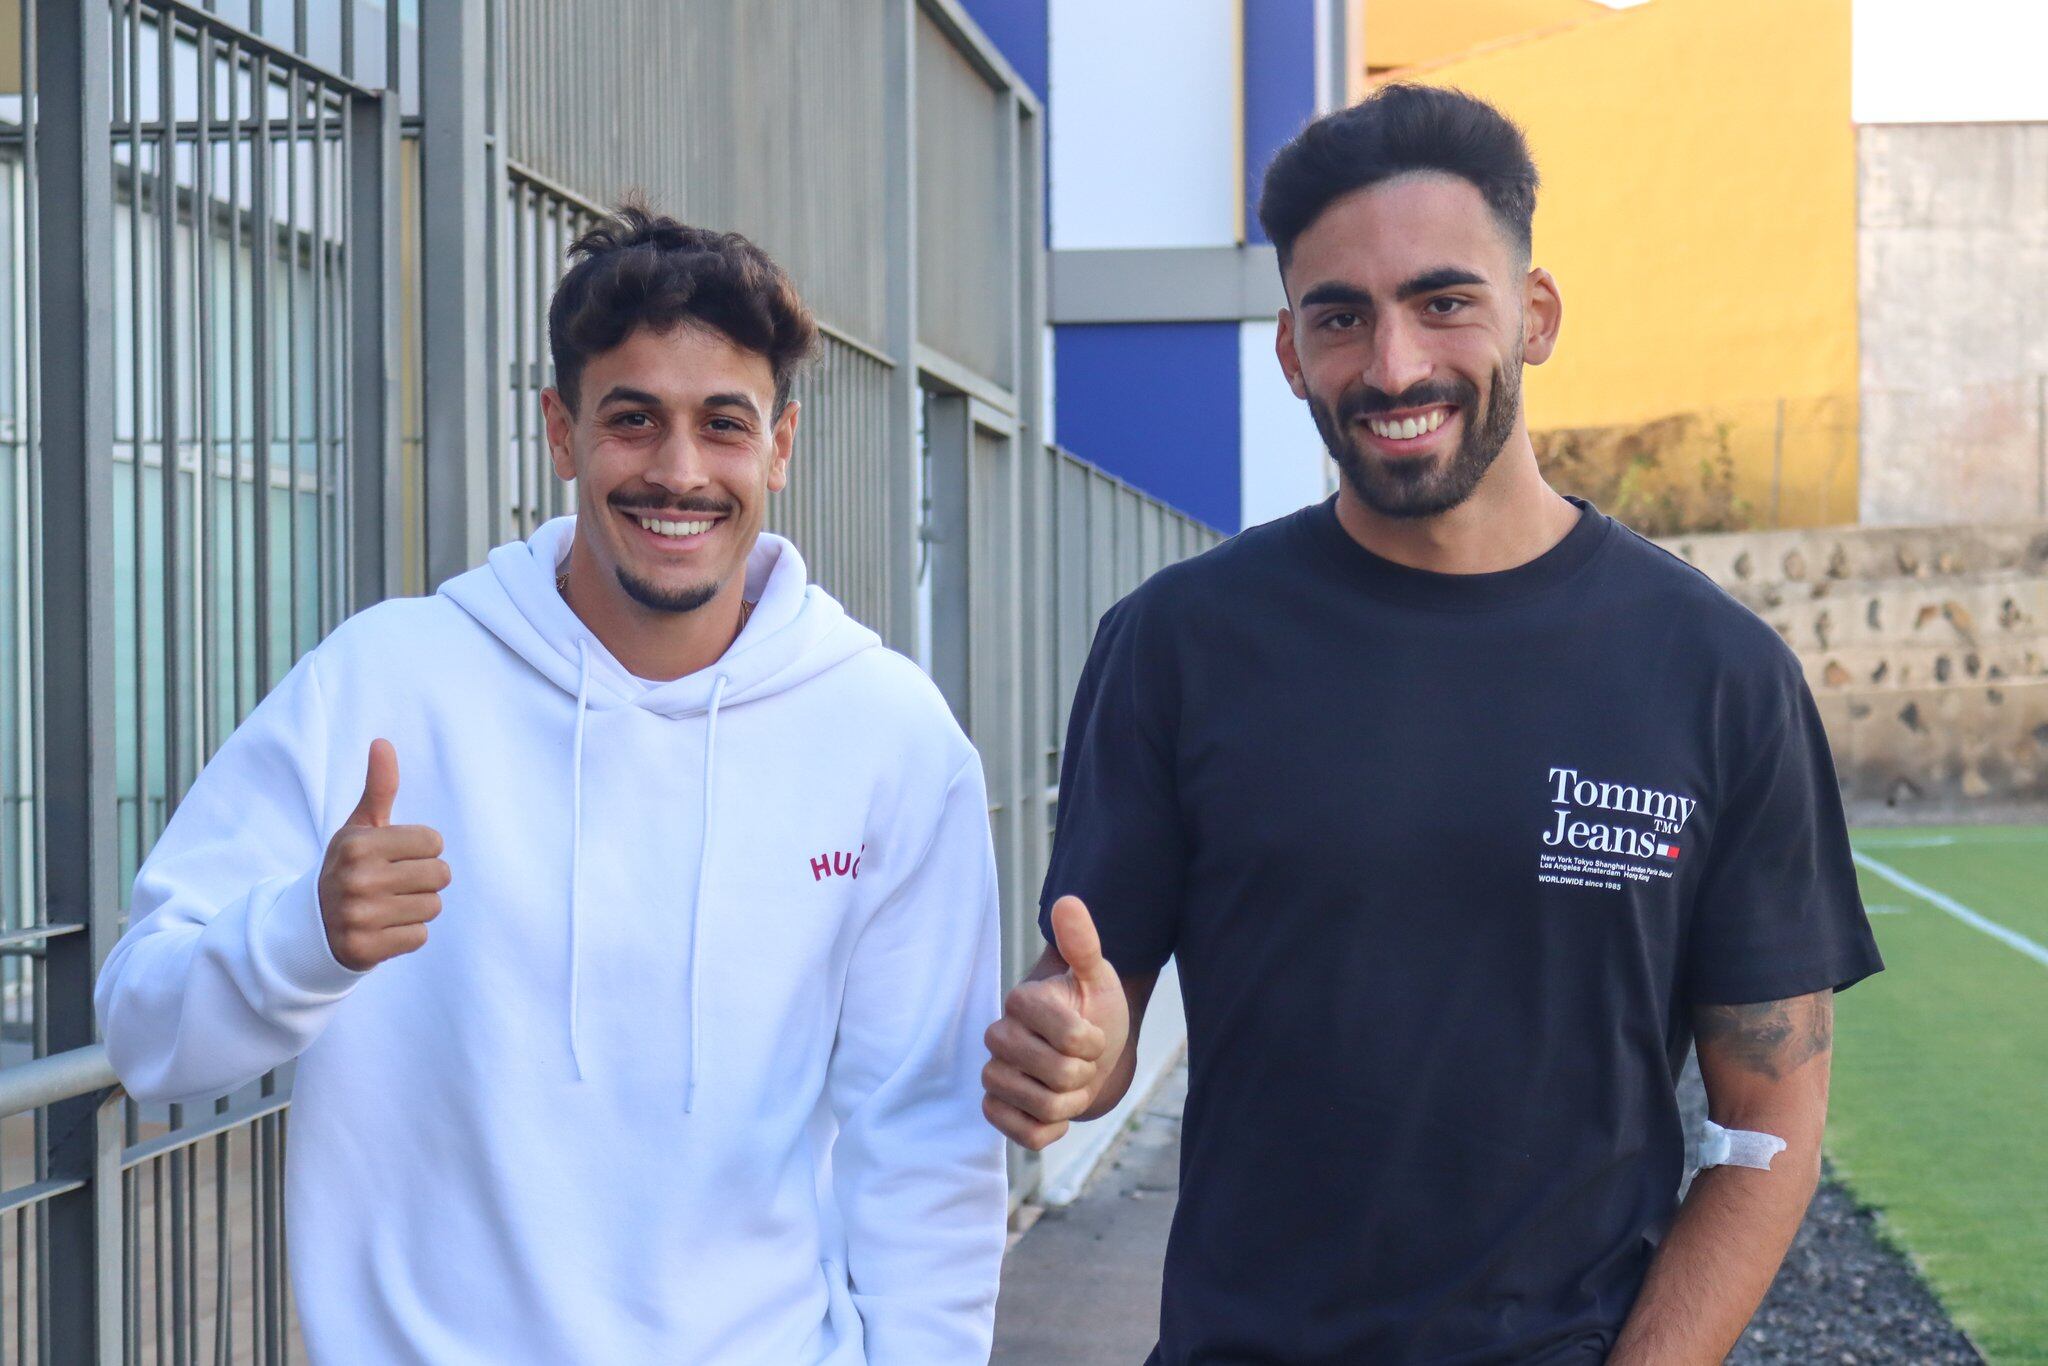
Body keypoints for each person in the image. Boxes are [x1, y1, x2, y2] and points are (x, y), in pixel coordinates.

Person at [983, 85, 1883, 1365]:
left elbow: (1769, 1123)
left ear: (1535, 315)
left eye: (1443, 301)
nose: (1392, 365)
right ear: (1291, 352)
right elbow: (1097, 1010)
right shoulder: (1177, 643)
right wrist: (1068, 1054)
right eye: (1338, 318)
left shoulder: (1715, 673)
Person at [97, 208, 1006, 1364]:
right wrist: (301, 937)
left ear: (778, 447)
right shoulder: (384, 680)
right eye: (632, 420)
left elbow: (922, 1142)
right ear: (560, 432)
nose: (678, 471)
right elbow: (142, 1031)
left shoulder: (889, 737)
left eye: (721, 425)